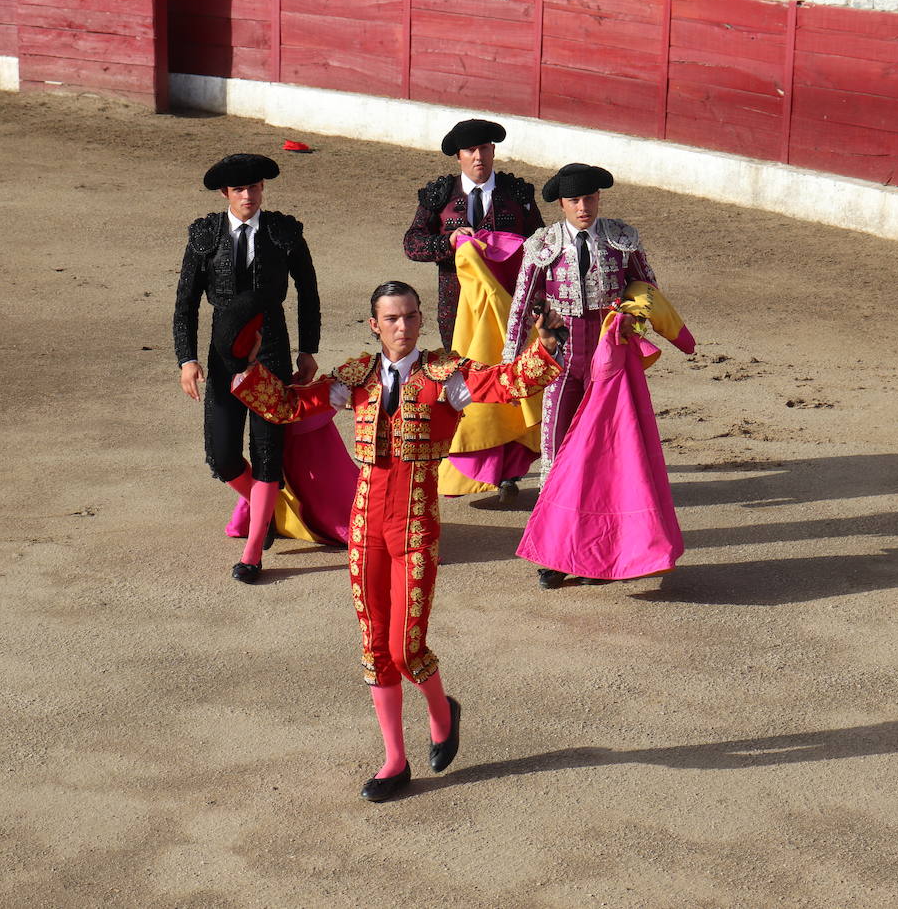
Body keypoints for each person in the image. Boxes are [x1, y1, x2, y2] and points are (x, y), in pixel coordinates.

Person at [228, 281, 564, 801]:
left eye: (410, 316)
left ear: (420, 319)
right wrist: (246, 370)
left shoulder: (445, 375)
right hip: (365, 527)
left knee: (407, 647)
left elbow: (503, 382)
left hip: (415, 524)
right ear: (374, 324)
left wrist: (545, 346)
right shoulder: (356, 377)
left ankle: (441, 712)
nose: (402, 327)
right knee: (374, 644)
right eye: (392, 319)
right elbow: (292, 407)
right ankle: (394, 759)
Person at [501, 163, 660, 589]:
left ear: (598, 198)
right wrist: (510, 364)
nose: (583, 207)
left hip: (608, 361)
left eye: (589, 198)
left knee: (608, 455)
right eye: (575, 201)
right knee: (555, 455)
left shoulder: (621, 238)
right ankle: (553, 554)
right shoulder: (544, 243)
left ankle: (601, 553)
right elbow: (522, 303)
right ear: (561, 204)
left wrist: (634, 324)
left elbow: (647, 291)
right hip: (562, 359)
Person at [172, 153, 322, 584]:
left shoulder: (283, 232)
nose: (248, 196)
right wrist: (187, 359)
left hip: (273, 348)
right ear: (226, 194)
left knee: (267, 452)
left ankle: (254, 550)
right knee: (221, 455)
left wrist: (308, 348)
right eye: (240, 190)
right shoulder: (205, 236)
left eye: (254, 187)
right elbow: (185, 303)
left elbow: (308, 291)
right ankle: (266, 508)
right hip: (223, 355)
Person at [402, 118, 543, 351]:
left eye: (484, 148)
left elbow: (540, 245)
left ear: (493, 150)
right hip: (456, 305)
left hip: (507, 300)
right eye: (470, 150)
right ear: (459, 156)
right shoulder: (440, 195)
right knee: (460, 374)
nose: (479, 156)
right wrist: (449, 242)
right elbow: (412, 244)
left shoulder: (517, 194)